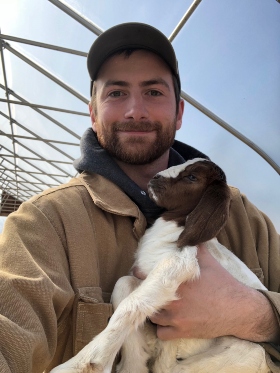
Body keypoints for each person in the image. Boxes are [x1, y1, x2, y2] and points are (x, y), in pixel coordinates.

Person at [0, 22, 279, 373]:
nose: (135, 110)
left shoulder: (243, 218)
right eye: (116, 93)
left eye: (153, 92)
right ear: (93, 111)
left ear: (178, 113)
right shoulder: (44, 221)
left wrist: (255, 314)